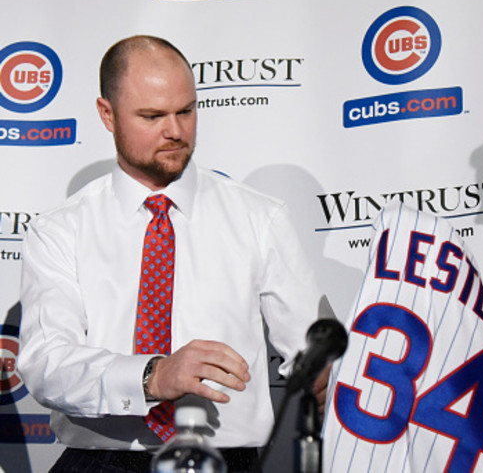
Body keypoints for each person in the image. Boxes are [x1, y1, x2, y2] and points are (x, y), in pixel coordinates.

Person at [18, 35, 324, 473]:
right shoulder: (59, 230)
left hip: (226, 462)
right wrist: (153, 375)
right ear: (107, 114)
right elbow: (47, 362)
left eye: (186, 111)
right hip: (99, 462)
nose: (175, 131)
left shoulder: (260, 218)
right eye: (151, 116)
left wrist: (331, 376)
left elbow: (315, 353)